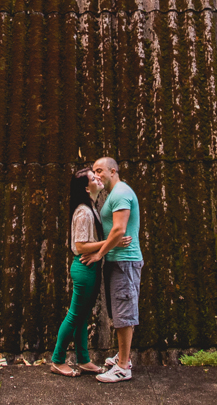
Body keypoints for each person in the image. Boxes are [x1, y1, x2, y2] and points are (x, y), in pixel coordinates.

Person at [50, 167, 131, 378]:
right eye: (93, 178)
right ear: (87, 188)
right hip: (85, 266)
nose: (97, 178)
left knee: (83, 316)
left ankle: (83, 359)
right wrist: (112, 242)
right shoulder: (84, 212)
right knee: (74, 316)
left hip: (90, 267)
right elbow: (81, 245)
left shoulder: (91, 207)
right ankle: (57, 360)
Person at [81, 157, 142, 383]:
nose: (97, 175)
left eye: (100, 171)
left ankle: (124, 366)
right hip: (118, 259)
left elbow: (118, 230)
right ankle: (122, 357)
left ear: (113, 170)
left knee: (124, 314)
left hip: (125, 261)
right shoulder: (111, 195)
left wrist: (100, 253)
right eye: (94, 171)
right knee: (120, 311)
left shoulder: (120, 193)